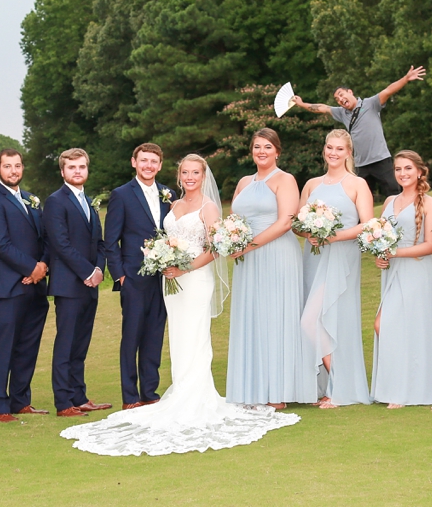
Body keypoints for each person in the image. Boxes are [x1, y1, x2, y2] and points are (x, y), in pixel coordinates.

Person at [62, 155, 300, 456]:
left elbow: (216, 249)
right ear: (179, 175)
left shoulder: (209, 207)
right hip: (171, 283)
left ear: (203, 176)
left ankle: (196, 396)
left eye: (195, 172)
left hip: (196, 281)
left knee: (195, 335)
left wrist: (185, 268)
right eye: (185, 172)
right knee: (178, 337)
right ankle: (181, 390)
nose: (190, 177)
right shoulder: (172, 204)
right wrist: (165, 259)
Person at [226, 129, 316, 408]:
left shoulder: (285, 179)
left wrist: (249, 244)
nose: (261, 151)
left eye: (267, 146)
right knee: (252, 315)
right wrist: (231, 238)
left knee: (276, 315)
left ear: (277, 151)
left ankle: (278, 391)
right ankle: (252, 388)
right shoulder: (243, 181)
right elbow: (233, 218)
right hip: (248, 259)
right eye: (256, 147)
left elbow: (286, 221)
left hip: (276, 254)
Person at [294, 129, 374, 408]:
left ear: (348, 153)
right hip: (314, 256)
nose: (333, 153)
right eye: (330, 147)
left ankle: (341, 386)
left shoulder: (356, 184)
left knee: (314, 319)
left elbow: (367, 224)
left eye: (340, 149)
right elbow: (297, 222)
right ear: (324, 149)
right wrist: (309, 233)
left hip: (341, 257)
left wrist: (332, 235)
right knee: (318, 321)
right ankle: (328, 387)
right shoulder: (311, 184)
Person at [0, 148, 51, 421]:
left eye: (17, 166)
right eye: (7, 166)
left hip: (35, 286)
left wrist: (43, 266)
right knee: (4, 346)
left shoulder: (32, 199)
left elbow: (45, 238)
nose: (13, 171)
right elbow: (0, 244)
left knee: (28, 345)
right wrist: (31, 267)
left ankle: (21, 400)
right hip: (7, 288)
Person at [102, 143, 173, 410]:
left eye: (154, 161)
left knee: (154, 335)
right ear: (134, 162)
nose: (148, 166)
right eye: (144, 160)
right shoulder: (121, 195)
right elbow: (111, 240)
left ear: (160, 165)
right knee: (131, 337)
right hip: (132, 277)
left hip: (163, 278)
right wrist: (120, 276)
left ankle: (150, 392)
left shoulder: (169, 194)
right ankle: (130, 396)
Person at [43, 148, 112, 417]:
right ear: (62, 171)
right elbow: (60, 244)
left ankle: (79, 396)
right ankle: (63, 402)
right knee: (66, 343)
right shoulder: (55, 201)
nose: (77, 171)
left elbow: (99, 242)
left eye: (82, 167)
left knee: (81, 343)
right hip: (69, 285)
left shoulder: (89, 202)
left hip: (90, 283)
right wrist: (87, 272)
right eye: (72, 168)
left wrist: (99, 269)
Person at [372, 150, 432, 409]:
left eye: (408, 169)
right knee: (387, 326)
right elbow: (380, 236)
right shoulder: (389, 201)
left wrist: (395, 252)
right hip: (393, 270)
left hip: (416, 270)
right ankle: (395, 387)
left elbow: (430, 245)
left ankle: (404, 391)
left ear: (420, 172)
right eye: (398, 169)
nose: (403, 173)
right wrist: (381, 256)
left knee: (397, 326)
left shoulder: (429, 203)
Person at [292, 66, 426, 199]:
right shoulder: (341, 113)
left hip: (380, 159)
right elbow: (322, 108)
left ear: (350, 92)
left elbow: (388, 90)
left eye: (341, 94)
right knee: (360, 199)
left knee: (394, 193)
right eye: (337, 99)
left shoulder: (370, 104)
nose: (340, 100)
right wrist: (301, 104)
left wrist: (406, 78)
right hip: (361, 165)